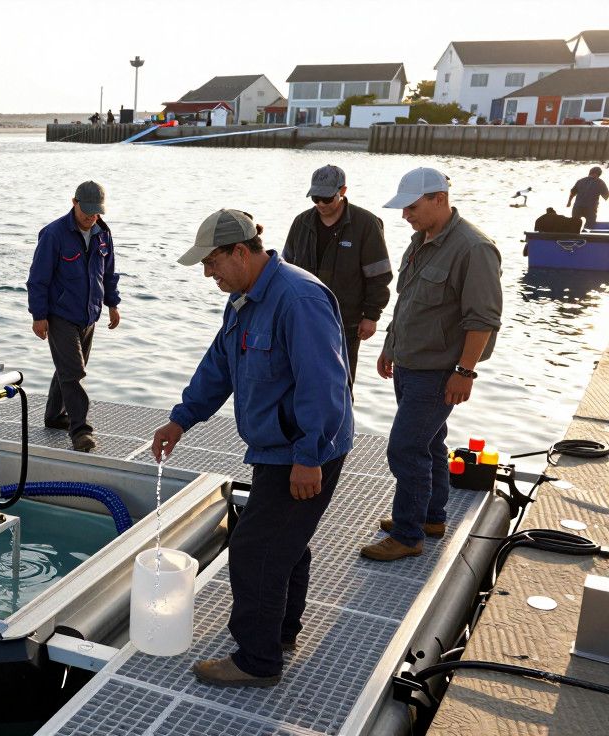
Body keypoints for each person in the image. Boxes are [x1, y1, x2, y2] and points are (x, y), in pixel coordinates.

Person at [151, 209, 353, 688]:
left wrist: (309, 456)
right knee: (284, 545)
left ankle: (257, 661)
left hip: (304, 449)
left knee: (253, 550)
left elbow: (325, 385)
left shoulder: (299, 299)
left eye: (212, 262)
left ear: (241, 251)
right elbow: (218, 366)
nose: (207, 273)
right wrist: (181, 420)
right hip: (274, 449)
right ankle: (280, 633)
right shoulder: (242, 299)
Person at [362, 168, 503, 562]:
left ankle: (409, 535)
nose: (405, 215)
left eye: (411, 206)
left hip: (440, 371)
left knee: (405, 449)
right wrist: (390, 344)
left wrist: (465, 371)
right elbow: (406, 300)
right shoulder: (420, 241)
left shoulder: (474, 248)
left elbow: (484, 319)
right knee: (431, 441)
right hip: (409, 363)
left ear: (438, 198)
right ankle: (430, 517)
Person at [26, 181, 121, 453]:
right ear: (74, 202)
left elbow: (109, 272)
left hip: (89, 315)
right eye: (86, 211)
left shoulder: (103, 233)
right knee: (74, 372)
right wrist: (38, 315)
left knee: (67, 369)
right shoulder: (54, 234)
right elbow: (37, 279)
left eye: (96, 212)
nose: (91, 217)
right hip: (59, 316)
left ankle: (54, 416)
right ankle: (81, 432)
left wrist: (113, 304)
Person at [282, 165, 392, 385]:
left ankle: (341, 419)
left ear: (342, 191)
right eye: (315, 198)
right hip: (302, 319)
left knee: (340, 383)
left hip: (346, 323)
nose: (320, 204)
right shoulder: (300, 222)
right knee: (296, 382)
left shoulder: (367, 224)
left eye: (326, 198)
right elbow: (286, 270)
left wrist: (371, 316)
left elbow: (379, 276)